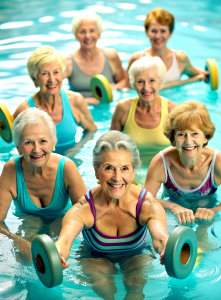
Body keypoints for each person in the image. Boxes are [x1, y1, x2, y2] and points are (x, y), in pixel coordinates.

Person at [55, 131, 168, 299]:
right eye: (109, 168)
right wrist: (56, 256)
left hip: (136, 253)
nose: (117, 177)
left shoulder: (146, 205)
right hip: (95, 256)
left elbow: (160, 237)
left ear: (133, 171)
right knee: (103, 286)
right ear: (96, 172)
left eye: (124, 169)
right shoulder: (85, 208)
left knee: (135, 284)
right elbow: (64, 241)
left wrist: (167, 249)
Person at [0, 108, 88, 262]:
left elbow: (87, 213)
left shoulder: (66, 167)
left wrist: (66, 242)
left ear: (53, 144)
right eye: (28, 142)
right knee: (26, 256)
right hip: (28, 220)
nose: (37, 149)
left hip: (60, 219)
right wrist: (15, 239)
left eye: (43, 141)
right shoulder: (11, 171)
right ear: (19, 148)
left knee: (57, 250)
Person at [144, 100, 221, 225]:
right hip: (172, 214)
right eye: (181, 134)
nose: (188, 141)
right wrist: (173, 207)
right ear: (173, 139)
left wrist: (214, 210)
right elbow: (145, 200)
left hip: (206, 213)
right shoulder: (161, 163)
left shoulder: (218, 162)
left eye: (195, 134)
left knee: (205, 239)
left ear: (206, 137)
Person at [13, 45, 97, 150]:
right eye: (45, 74)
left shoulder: (75, 101)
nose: (52, 79)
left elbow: (91, 130)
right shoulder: (24, 110)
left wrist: (75, 150)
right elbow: (15, 146)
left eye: (56, 72)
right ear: (34, 79)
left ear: (62, 75)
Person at [110, 55, 177, 166]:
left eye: (152, 81)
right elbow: (110, 147)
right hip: (132, 174)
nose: (146, 87)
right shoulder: (123, 108)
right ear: (133, 84)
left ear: (160, 83)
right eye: (140, 81)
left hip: (165, 173)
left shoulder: (173, 111)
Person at [127, 7, 208, 88]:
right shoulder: (137, 59)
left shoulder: (180, 58)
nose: (158, 36)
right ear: (146, 32)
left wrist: (207, 75)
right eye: (153, 31)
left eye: (163, 31)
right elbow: (127, 87)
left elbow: (200, 75)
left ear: (170, 33)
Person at [63, 10, 127, 105]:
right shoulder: (68, 61)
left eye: (92, 31)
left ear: (99, 33)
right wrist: (84, 102)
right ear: (76, 35)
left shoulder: (111, 56)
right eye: (82, 32)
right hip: (80, 111)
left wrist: (115, 87)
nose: (87, 36)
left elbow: (124, 81)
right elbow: (54, 91)